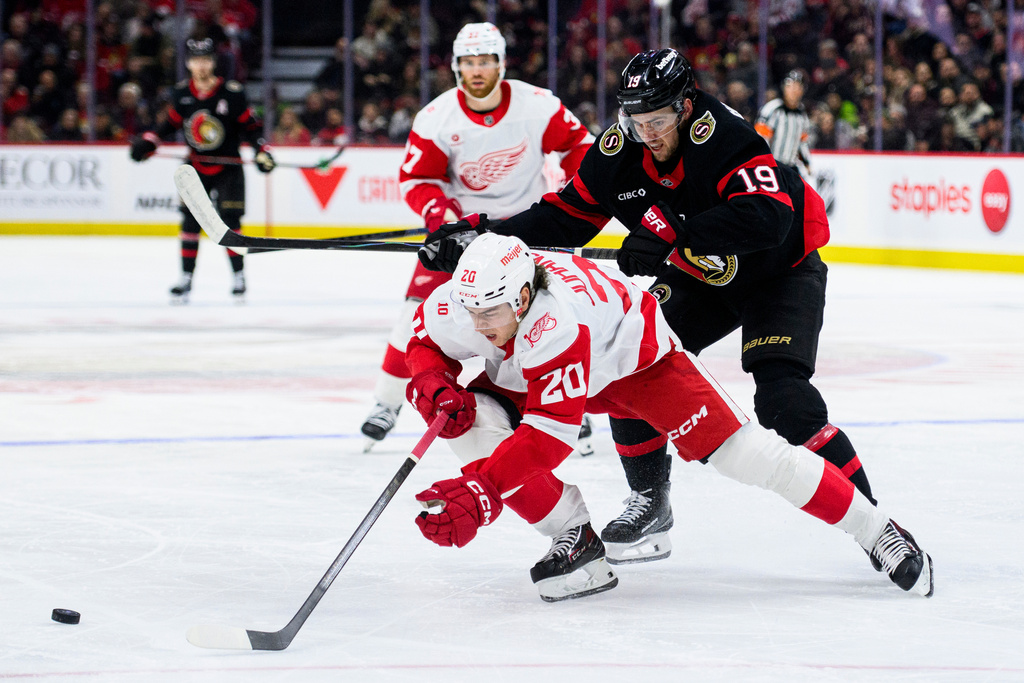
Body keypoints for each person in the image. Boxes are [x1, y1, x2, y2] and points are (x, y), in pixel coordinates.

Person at [418, 49, 918, 571]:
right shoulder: (620, 148)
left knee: (783, 403)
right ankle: (651, 501)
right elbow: (566, 217)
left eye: (658, 120)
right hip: (702, 278)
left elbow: (769, 217)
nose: (648, 133)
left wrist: (670, 233)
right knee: (634, 351)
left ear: (686, 105)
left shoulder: (725, 136)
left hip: (780, 274)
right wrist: (482, 237)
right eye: (636, 121)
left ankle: (874, 524)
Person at [408, 233, 933, 600]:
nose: (479, 323)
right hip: (545, 366)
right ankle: (577, 542)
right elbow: (423, 342)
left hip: (639, 364)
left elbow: (548, 437)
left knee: (749, 457)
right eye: (471, 312)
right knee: (471, 422)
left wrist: (481, 492)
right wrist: (434, 383)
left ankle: (877, 528)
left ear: (523, 297)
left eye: (490, 314)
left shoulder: (554, 323)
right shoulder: (475, 301)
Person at [358, 21, 594, 451]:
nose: (477, 70)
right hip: (463, 236)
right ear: (455, 67)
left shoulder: (538, 105)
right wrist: (442, 218)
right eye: (468, 62)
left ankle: (570, 411)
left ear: (500, 63)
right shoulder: (436, 117)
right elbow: (418, 179)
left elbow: (584, 151)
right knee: (415, 316)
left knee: (551, 318)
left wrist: (571, 198)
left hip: (529, 231)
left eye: (485, 61)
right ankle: (387, 402)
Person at [129, 37, 275, 303]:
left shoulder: (231, 92)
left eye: (206, 60)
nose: (201, 66)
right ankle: (185, 279)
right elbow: (168, 125)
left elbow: (251, 128)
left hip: (229, 165)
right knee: (189, 223)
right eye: (196, 61)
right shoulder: (182, 93)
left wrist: (262, 151)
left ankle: (238, 277)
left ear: (214, 63)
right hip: (195, 168)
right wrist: (148, 142)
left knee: (230, 223)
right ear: (188, 63)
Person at [755, 69, 813, 176]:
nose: (793, 91)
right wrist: (766, 163)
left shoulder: (802, 115)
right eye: (789, 86)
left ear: (802, 91)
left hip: (790, 168)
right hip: (771, 166)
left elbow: (802, 143)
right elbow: (761, 139)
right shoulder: (772, 109)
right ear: (784, 88)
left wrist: (807, 163)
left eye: (797, 87)